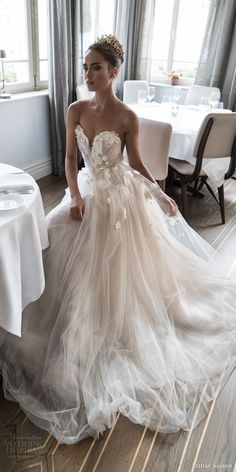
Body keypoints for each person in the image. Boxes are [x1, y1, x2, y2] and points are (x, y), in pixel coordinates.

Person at [1, 34, 236, 445]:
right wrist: (73, 193)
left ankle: (93, 342)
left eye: (96, 67)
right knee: (57, 247)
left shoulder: (128, 116)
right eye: (85, 67)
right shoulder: (74, 109)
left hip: (122, 199)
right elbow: (71, 160)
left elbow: (139, 165)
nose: (88, 74)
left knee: (121, 272)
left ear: (113, 71)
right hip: (87, 191)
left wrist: (161, 194)